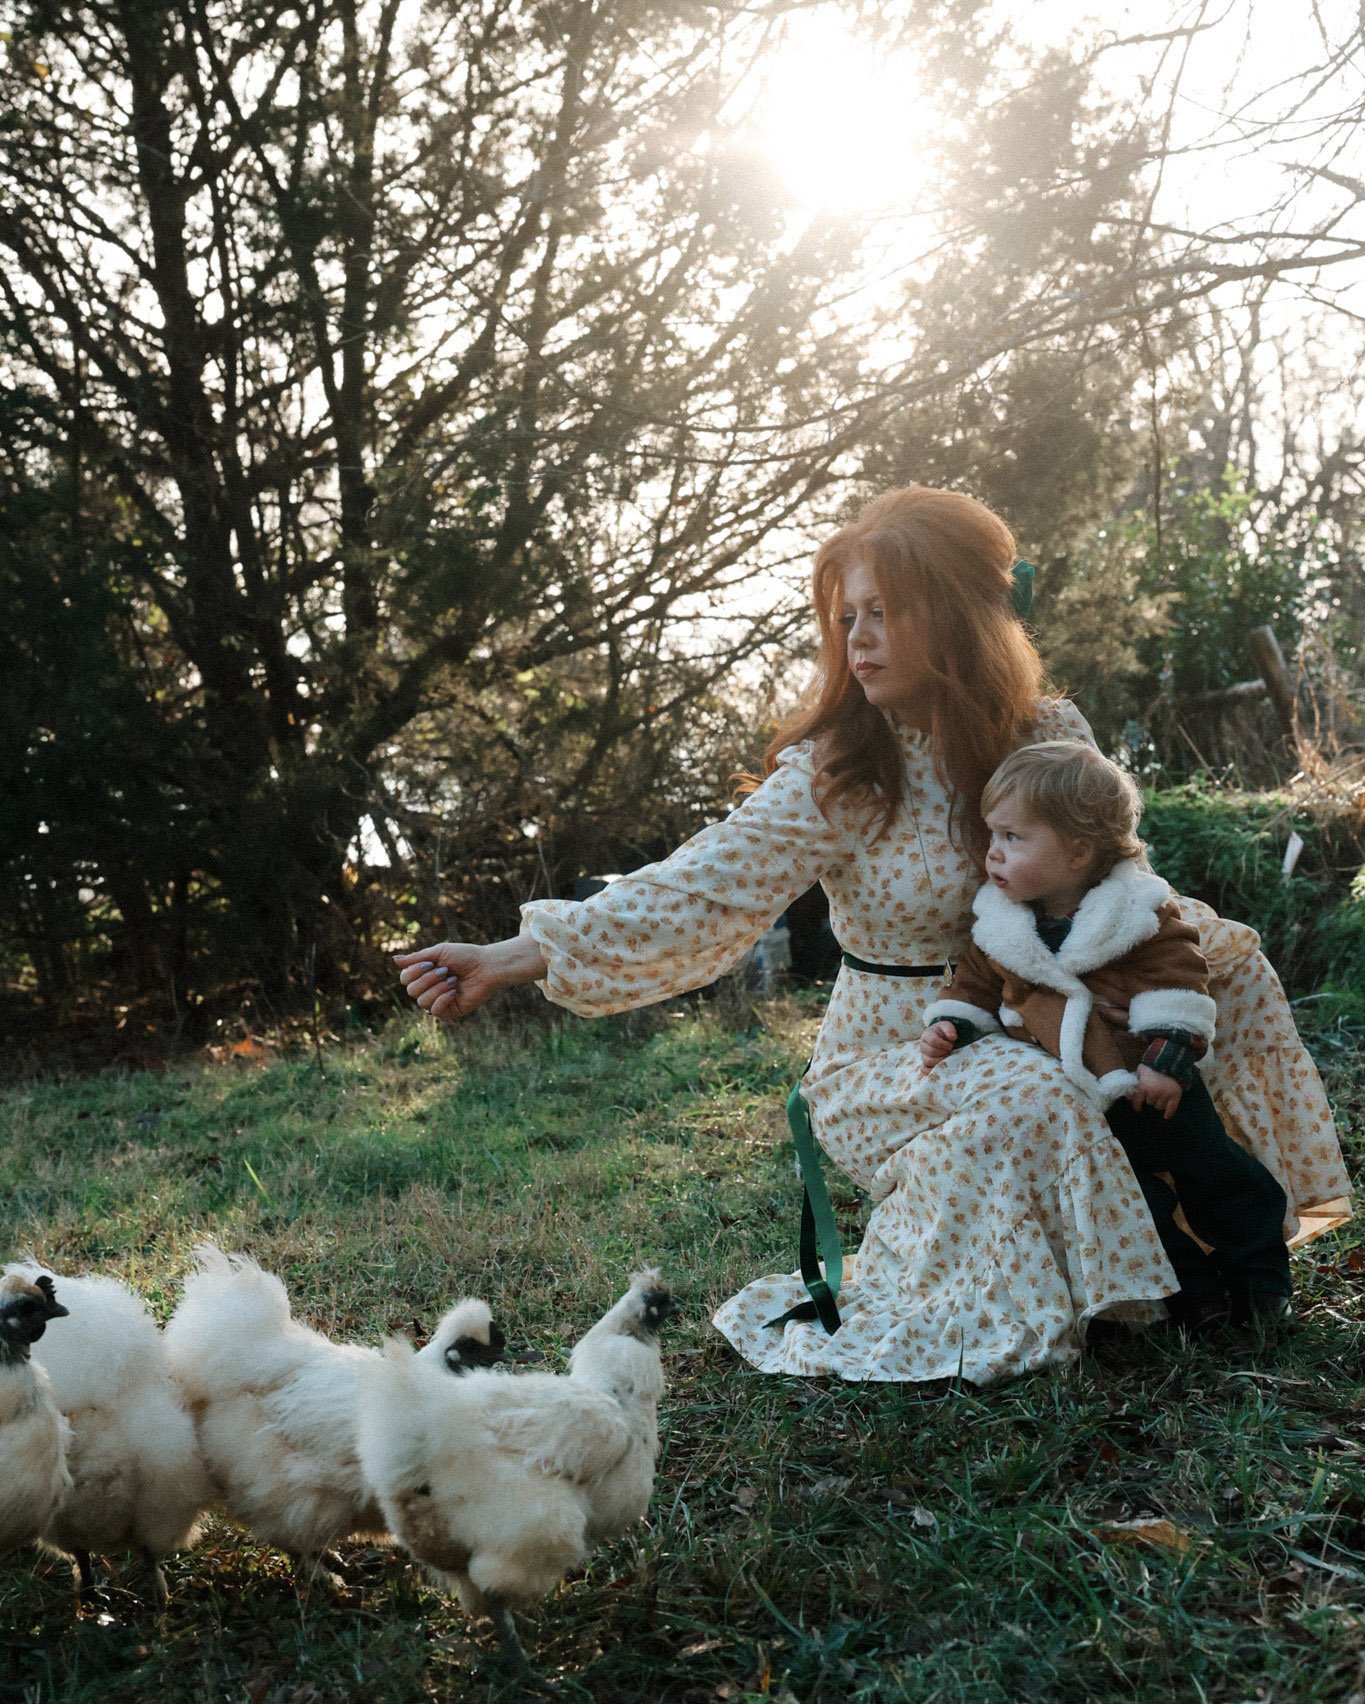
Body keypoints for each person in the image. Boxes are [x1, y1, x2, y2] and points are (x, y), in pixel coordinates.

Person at [395, 485, 1349, 1385]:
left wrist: (1156, 976)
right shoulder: (840, 770)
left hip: (1046, 998)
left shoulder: (1045, 727)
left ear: (957, 618)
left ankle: (1230, 1244)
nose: (857, 638)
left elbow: (1112, 866)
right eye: (846, 616)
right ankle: (1152, 1294)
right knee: (1032, 1092)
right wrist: (515, 957)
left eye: (883, 612)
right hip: (903, 1046)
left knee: (1225, 964)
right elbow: (698, 885)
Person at [919, 741, 1293, 1336]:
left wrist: (1167, 1058)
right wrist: (953, 1023)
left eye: (1013, 838)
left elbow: (1178, 977)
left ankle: (1261, 1283)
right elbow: (976, 982)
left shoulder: (1135, 912)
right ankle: (1197, 1298)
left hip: (1157, 1085)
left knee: (1218, 1177)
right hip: (1084, 1100)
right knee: (1134, 1202)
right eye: (992, 834)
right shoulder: (1000, 923)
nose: (992, 852)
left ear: (1077, 851)